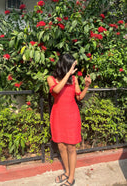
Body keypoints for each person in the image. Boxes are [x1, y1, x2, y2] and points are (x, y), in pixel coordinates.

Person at [47, 53, 91, 186]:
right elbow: (56, 90)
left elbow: (79, 97)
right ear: (65, 66)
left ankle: (71, 178)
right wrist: (68, 75)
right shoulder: (51, 78)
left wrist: (87, 86)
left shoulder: (74, 79)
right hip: (58, 115)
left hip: (71, 115)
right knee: (60, 145)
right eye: (72, 66)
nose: (73, 69)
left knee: (71, 147)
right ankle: (66, 172)